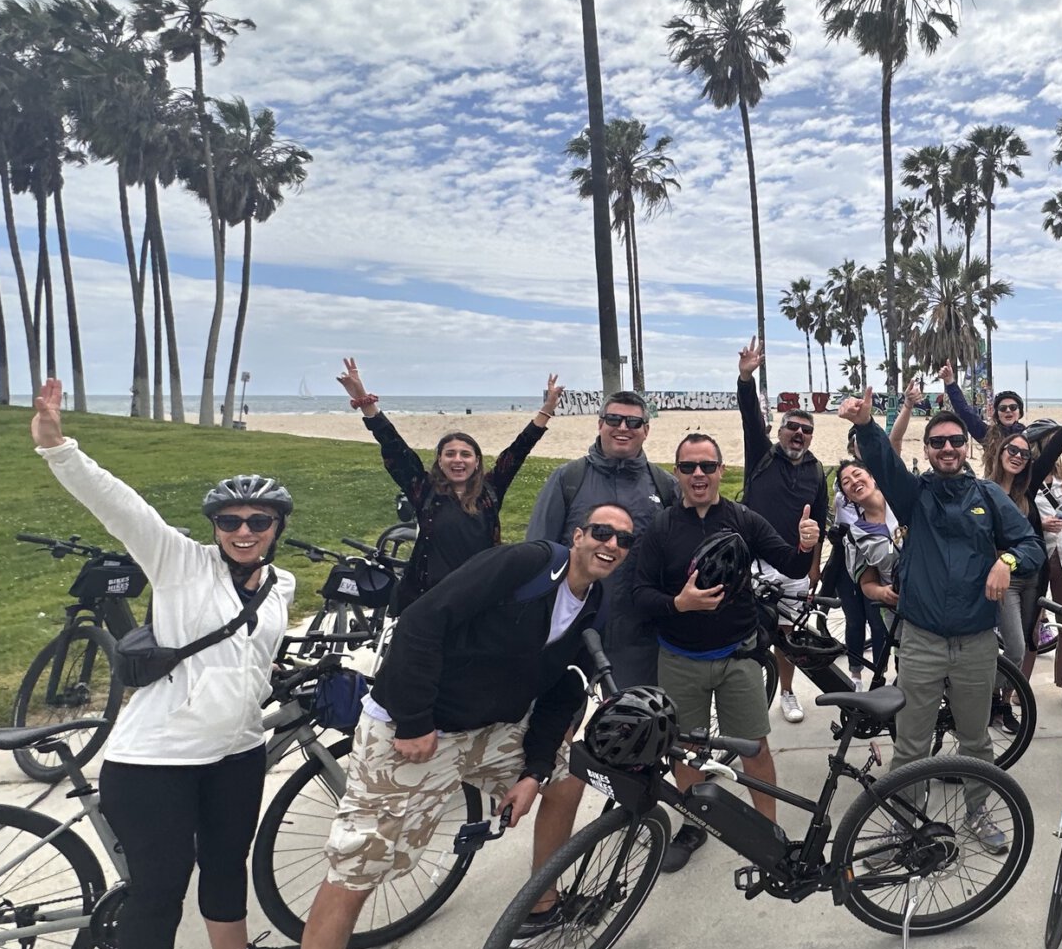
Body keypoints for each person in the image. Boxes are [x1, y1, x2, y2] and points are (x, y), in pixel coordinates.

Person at [276, 507, 630, 949]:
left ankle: (541, 901)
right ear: (578, 535)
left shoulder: (595, 605)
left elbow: (563, 690)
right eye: (601, 532)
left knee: (566, 777)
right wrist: (416, 720)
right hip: (416, 726)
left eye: (623, 539)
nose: (611, 543)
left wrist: (533, 772)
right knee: (354, 870)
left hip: (491, 727)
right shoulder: (526, 563)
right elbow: (423, 620)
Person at [30, 379, 299, 949]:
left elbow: (254, 659)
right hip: (155, 761)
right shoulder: (179, 562)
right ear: (214, 527)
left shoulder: (283, 585)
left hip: (234, 750)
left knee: (228, 859)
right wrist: (59, 448)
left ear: (276, 529)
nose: (243, 532)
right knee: (158, 891)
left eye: (258, 521)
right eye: (230, 521)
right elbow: (122, 508)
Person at [843, 392, 1042, 849]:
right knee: (911, 744)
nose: (948, 448)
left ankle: (978, 812)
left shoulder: (988, 494)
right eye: (938, 443)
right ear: (928, 450)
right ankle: (904, 820)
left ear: (966, 448)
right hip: (922, 640)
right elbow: (883, 462)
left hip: (975, 642)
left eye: (955, 440)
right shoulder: (915, 494)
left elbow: (1029, 544)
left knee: (975, 740)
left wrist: (1006, 560)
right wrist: (868, 423)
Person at [633, 433, 819, 873]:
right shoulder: (661, 528)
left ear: (721, 470)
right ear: (676, 473)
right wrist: (678, 604)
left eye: (707, 466)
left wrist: (807, 546)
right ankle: (694, 824)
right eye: (688, 467)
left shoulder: (743, 519)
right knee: (686, 748)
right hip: (680, 657)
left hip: (738, 656)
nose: (698, 475)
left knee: (755, 746)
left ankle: (767, 829)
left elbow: (789, 564)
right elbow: (639, 594)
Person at [336, 358, 559, 610]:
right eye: (449, 454)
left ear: (476, 462)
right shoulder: (424, 490)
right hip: (429, 598)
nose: (458, 460)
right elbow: (394, 447)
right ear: (440, 461)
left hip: (480, 594)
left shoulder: (490, 490)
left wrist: (547, 408)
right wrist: (364, 399)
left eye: (465, 454)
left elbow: (519, 450)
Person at [525, 391, 679, 686]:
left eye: (633, 422)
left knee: (630, 723)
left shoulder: (665, 486)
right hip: (571, 629)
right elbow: (537, 552)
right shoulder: (568, 478)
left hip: (638, 637)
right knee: (558, 722)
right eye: (614, 419)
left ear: (646, 430)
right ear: (600, 424)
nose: (623, 427)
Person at [735, 338, 832, 724]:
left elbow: (820, 522)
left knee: (787, 635)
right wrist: (746, 377)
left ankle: (787, 692)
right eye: (792, 426)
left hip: (793, 564)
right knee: (746, 631)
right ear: (779, 430)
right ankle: (748, 693)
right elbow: (748, 416)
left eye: (805, 430)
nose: (798, 433)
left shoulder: (816, 470)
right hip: (753, 561)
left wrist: (814, 567)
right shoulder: (761, 454)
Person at [982, 386, 1062, 701]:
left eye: (1024, 453)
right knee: (1022, 636)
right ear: (1001, 453)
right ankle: (1013, 691)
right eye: (1013, 451)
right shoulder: (986, 489)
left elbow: (1061, 452)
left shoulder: (1026, 485)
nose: (1019, 456)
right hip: (1016, 571)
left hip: (1056, 560)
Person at [835, 459, 901, 679]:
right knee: (908, 668)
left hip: (933, 597)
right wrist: (882, 592)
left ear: (872, 477)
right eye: (846, 482)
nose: (854, 481)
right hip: (898, 610)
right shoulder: (855, 536)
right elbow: (867, 583)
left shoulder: (903, 501)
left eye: (857, 474)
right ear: (846, 496)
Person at [938, 360, 1024, 446]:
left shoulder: (1030, 436)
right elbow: (964, 412)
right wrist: (950, 383)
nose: (1008, 410)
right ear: (997, 414)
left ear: (1020, 413)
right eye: (1002, 408)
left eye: (1013, 407)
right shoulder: (988, 435)